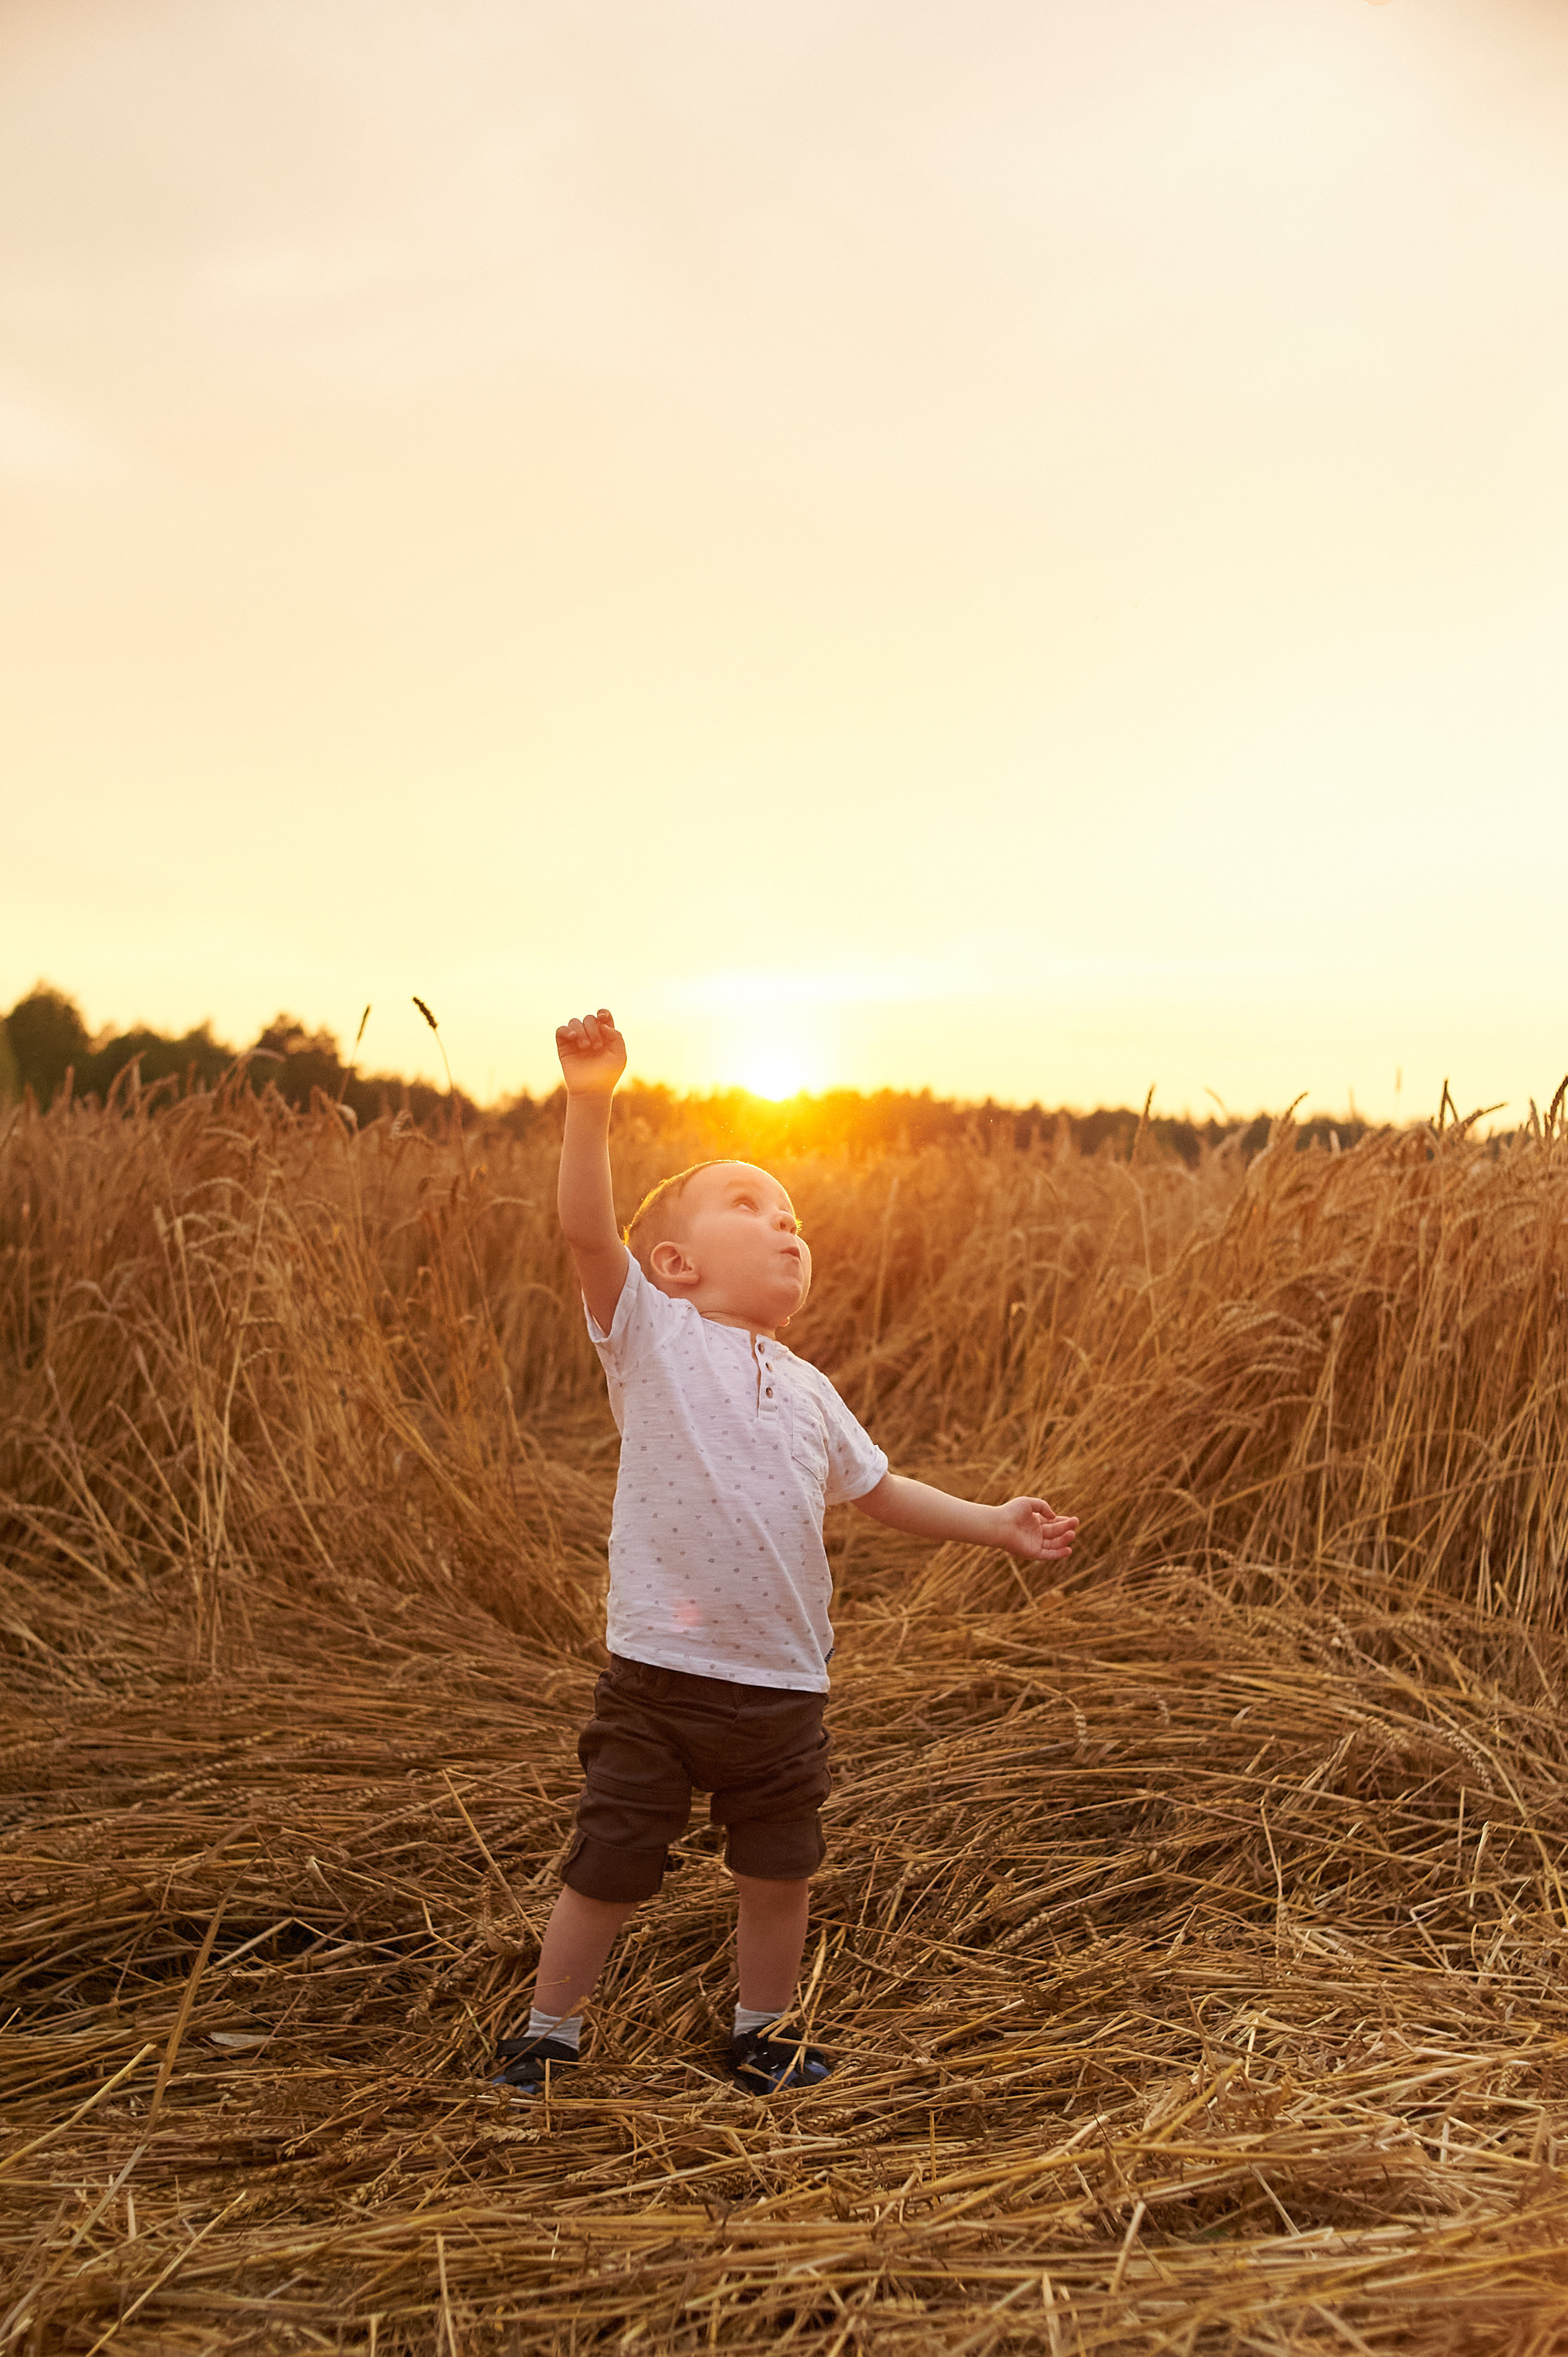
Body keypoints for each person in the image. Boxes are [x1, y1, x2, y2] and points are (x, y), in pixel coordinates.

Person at [493, 1008, 1078, 2098]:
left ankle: (758, 2032)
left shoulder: (810, 1390)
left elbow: (878, 1489)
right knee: (611, 1863)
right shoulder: (652, 1338)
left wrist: (994, 1520)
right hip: (660, 1681)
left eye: (793, 1215)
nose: (784, 1226)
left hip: (782, 1686)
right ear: (673, 1262)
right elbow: (583, 1233)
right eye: (749, 1206)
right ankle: (546, 2031)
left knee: (778, 1873)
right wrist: (589, 1100)